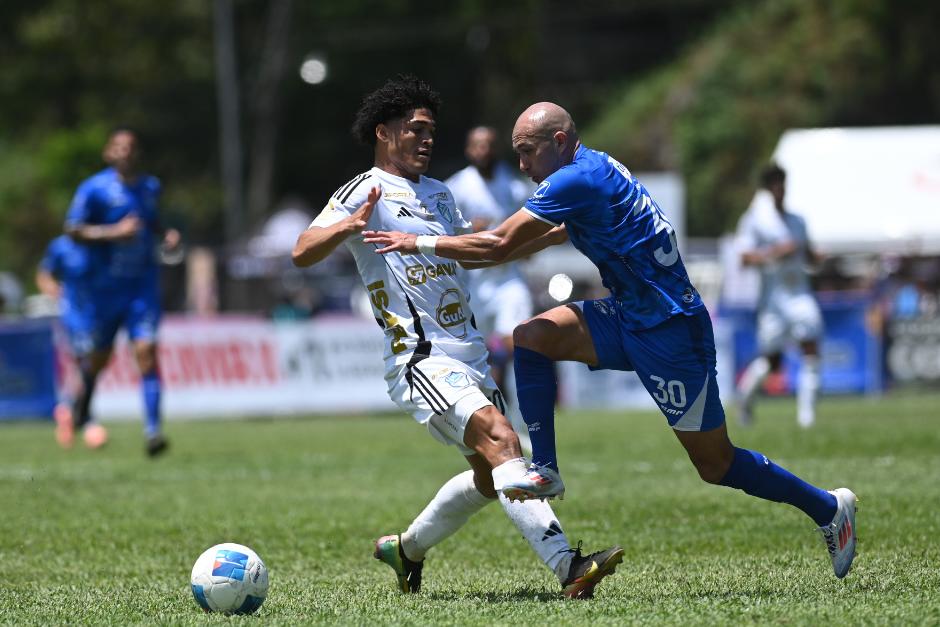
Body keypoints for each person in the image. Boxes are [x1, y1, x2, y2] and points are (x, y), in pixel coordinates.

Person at [363, 102, 858, 580]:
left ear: (558, 142)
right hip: (630, 313)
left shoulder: (576, 178)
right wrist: (470, 250)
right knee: (532, 338)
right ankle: (547, 469)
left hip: (670, 329)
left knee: (716, 463)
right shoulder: (588, 168)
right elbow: (536, 239)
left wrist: (417, 242)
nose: (521, 164)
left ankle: (829, 507)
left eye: (527, 152)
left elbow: (498, 243)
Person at [292, 76, 622, 599]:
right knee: (503, 441)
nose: (427, 139)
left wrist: (555, 233)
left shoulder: (441, 194)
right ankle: (569, 567)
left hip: (467, 354)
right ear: (384, 132)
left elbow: (482, 252)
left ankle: (406, 549)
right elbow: (302, 250)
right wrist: (345, 227)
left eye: (431, 131)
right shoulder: (365, 190)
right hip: (421, 358)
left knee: (493, 477)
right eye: (415, 129)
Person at [64, 127, 180, 457]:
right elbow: (72, 230)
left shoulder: (149, 186)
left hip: (141, 285)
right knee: (99, 359)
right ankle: (81, 403)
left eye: (130, 147)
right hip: (105, 289)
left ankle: (153, 431)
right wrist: (113, 232)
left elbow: (153, 222)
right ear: (108, 153)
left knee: (146, 352)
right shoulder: (93, 189)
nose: (125, 152)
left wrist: (167, 234)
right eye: (119, 147)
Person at [445, 127, 535, 398]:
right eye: (477, 145)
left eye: (488, 145)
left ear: (496, 148)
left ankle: (519, 411)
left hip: (508, 277)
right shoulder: (455, 187)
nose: (483, 150)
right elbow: (441, 234)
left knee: (518, 341)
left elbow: (531, 231)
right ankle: (490, 407)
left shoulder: (515, 186)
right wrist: (469, 231)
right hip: (471, 281)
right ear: (468, 150)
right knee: (473, 356)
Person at [735, 164, 824, 428]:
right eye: (774, 183)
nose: (779, 188)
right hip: (773, 297)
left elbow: (807, 253)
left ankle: (807, 418)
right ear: (767, 188)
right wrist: (775, 252)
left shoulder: (798, 221)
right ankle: (744, 399)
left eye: (782, 182)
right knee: (772, 363)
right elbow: (744, 258)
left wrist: (815, 256)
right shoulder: (755, 221)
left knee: (811, 348)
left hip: (799, 292)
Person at [36, 235, 108, 449]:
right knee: (85, 363)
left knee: (92, 365)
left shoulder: (103, 243)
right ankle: (86, 419)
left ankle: (68, 409)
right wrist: (56, 292)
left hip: (97, 314)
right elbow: (44, 274)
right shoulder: (61, 246)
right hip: (74, 316)